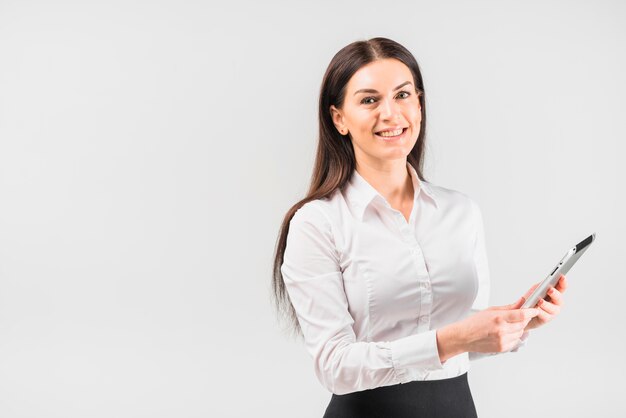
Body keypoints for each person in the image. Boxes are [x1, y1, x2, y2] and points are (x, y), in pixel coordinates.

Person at [271, 37, 567, 418]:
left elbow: (465, 339)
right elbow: (335, 365)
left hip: (457, 408)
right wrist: (451, 339)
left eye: (403, 95)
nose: (391, 114)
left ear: (420, 105)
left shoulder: (461, 211)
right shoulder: (317, 223)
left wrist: (519, 323)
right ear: (338, 118)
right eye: (369, 100)